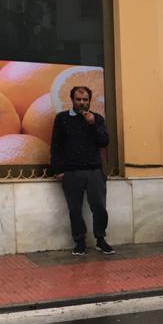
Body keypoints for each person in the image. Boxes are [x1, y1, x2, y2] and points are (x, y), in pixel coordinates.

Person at [49, 85, 113, 256]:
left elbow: (104, 142)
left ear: (89, 101)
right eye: (78, 99)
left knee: (99, 207)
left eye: (85, 100)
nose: (82, 103)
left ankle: (101, 240)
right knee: (75, 209)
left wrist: (92, 124)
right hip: (71, 171)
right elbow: (56, 146)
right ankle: (80, 242)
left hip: (94, 170)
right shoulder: (62, 118)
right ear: (72, 100)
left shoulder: (97, 118)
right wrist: (57, 169)